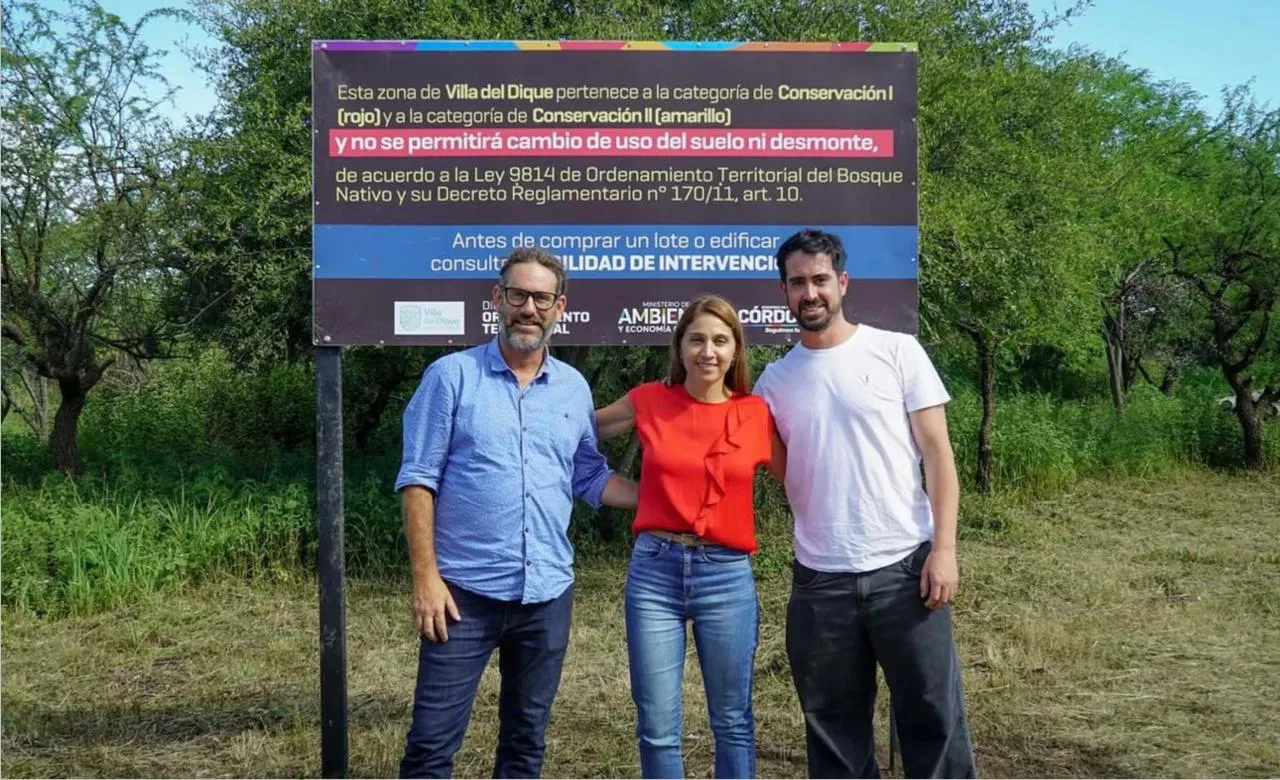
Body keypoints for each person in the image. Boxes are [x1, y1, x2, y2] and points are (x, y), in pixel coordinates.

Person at [395, 247, 639, 779]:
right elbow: (417, 480)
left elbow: (588, 477)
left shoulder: (572, 388)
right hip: (461, 596)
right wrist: (425, 579)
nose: (529, 308)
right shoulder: (451, 377)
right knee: (431, 747)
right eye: (518, 295)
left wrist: (664, 500)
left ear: (559, 308)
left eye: (542, 298)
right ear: (497, 299)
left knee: (526, 744)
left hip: (546, 596)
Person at [752, 230, 978, 779]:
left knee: (933, 720)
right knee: (833, 733)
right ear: (784, 291)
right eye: (798, 282)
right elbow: (786, 469)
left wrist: (944, 550)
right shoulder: (772, 383)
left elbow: (939, 456)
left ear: (843, 282)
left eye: (820, 280)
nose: (810, 293)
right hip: (819, 583)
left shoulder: (897, 351)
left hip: (906, 571)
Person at [595, 293, 785, 779]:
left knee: (733, 721)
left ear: (736, 350)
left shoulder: (756, 413)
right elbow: (572, 431)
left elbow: (802, 480)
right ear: (679, 347)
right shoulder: (649, 400)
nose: (708, 351)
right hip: (654, 575)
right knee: (657, 727)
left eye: (721, 340)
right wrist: (601, 485)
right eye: (697, 339)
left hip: (727, 577)